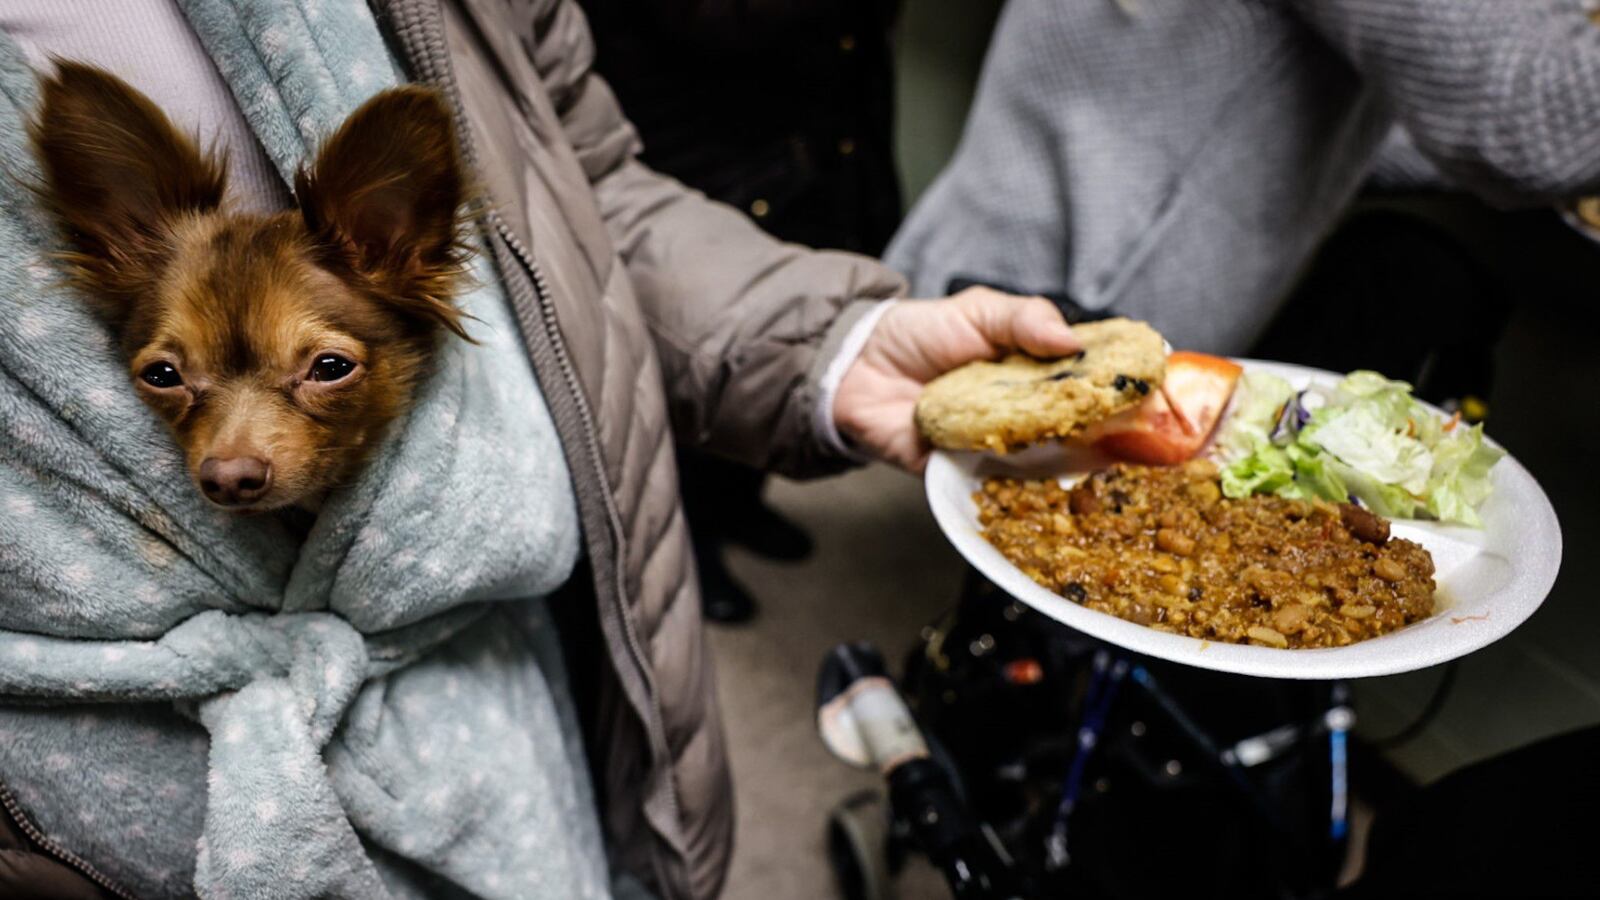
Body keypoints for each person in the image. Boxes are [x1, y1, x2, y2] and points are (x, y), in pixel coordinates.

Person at [0, 1, 1080, 898]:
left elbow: (579, 185)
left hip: (483, 663)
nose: (229, 457)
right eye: (168, 377)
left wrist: (830, 344)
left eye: (318, 367)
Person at [887, 0, 1600, 355]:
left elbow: (1302, 123)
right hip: (1076, 286)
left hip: (1049, 231)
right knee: (1062, 587)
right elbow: (1535, 121)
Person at [579, 0, 903, 622]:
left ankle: (739, 506)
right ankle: (689, 543)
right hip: (701, 142)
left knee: (772, 345)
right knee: (688, 365)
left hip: (807, 145)